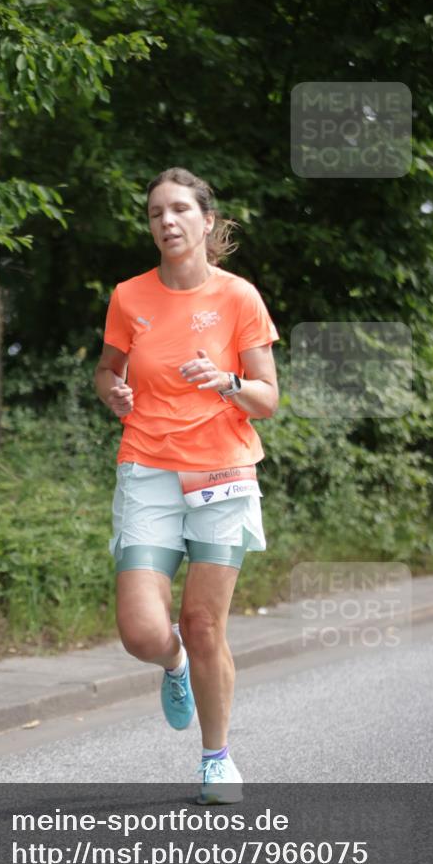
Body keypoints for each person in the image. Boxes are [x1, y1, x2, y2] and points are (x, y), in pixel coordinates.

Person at [94, 167, 279, 804]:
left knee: (202, 624)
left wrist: (226, 381)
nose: (167, 222)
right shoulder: (129, 296)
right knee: (145, 632)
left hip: (222, 471)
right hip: (147, 466)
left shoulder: (239, 298)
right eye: (155, 214)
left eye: (179, 210)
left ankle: (216, 758)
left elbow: (268, 398)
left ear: (207, 221)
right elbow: (106, 371)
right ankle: (171, 667)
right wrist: (112, 392)